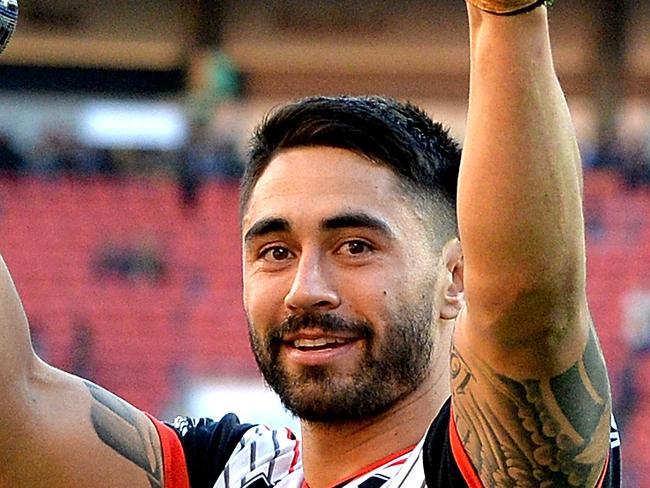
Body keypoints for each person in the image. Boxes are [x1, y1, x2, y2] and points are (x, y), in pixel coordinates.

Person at [0, 1, 622, 487]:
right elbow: (15, 410)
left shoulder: (490, 468)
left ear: (456, 276)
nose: (307, 290)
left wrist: (505, 17)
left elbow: (529, 308)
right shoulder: (218, 470)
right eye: (275, 251)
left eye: (355, 246)